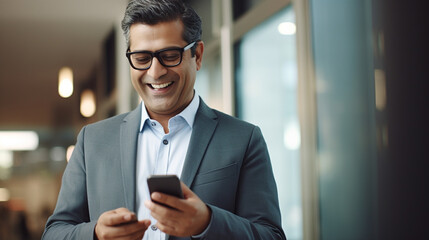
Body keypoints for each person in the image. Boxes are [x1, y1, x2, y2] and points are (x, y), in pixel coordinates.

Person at [42, 0, 286, 239]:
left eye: (170, 55)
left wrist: (208, 223)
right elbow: (55, 232)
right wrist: (95, 234)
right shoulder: (92, 141)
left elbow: (271, 235)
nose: (155, 72)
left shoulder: (244, 139)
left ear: (198, 55)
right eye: (141, 58)